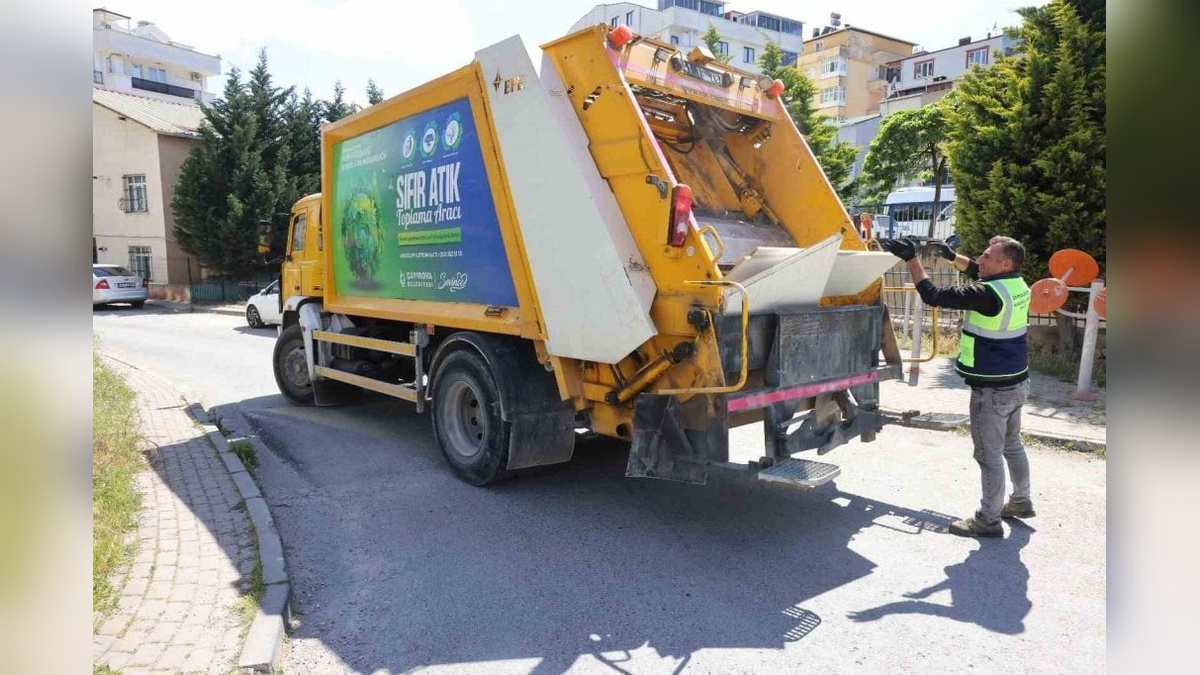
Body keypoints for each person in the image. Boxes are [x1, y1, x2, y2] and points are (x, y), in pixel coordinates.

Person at [880, 235, 1035, 538]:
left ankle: (988, 520)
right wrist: (951, 256)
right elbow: (978, 271)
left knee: (988, 455)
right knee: (1012, 445)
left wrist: (911, 258)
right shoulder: (1017, 285)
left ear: (1005, 263)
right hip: (1017, 381)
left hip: (991, 390)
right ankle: (1020, 501)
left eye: (988, 255)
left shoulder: (987, 295)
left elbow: (933, 294)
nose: (982, 258)